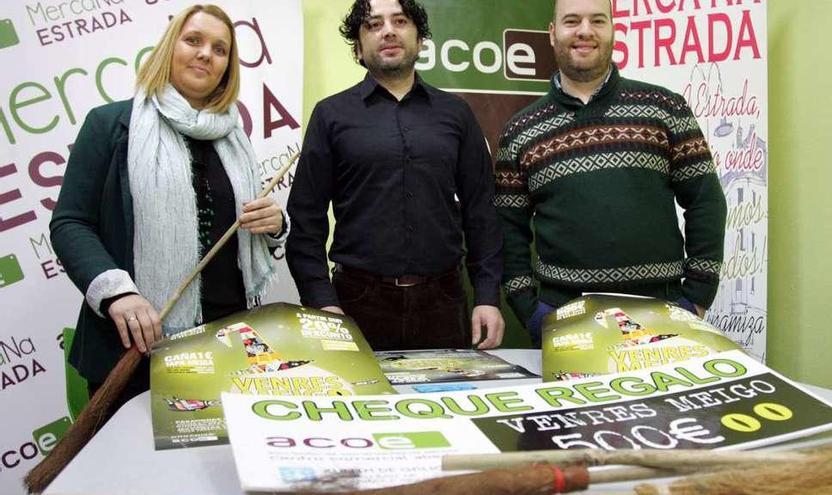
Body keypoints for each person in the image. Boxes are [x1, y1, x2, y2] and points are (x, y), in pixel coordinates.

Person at [50, 4, 287, 408]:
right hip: (137, 344)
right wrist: (116, 295)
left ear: (227, 67)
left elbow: (241, 233)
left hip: (226, 342)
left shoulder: (234, 137)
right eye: (193, 40)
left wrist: (276, 223)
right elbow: (71, 223)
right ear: (169, 48)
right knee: (131, 469)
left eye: (220, 49)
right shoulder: (110, 124)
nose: (205, 54)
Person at [494, 0, 727, 346]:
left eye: (597, 20)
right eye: (571, 21)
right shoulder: (520, 131)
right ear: (552, 32)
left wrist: (696, 297)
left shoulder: (665, 108)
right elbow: (507, 229)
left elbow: (706, 202)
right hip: (564, 317)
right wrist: (530, 311)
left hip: (661, 313)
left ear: (613, 30)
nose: (585, 31)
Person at [287, 0, 504, 351]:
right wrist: (322, 302)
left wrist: (487, 295)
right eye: (373, 25)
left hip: (444, 304)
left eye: (400, 21)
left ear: (420, 41)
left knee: (447, 405)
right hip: (357, 304)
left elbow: (482, 213)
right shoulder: (330, 115)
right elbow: (306, 219)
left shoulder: (457, 114)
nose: (388, 30)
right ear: (358, 48)